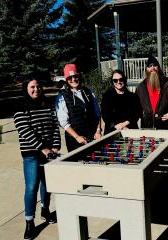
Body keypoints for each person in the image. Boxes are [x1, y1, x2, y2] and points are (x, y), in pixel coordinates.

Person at [14, 76, 61, 240]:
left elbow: (55, 125)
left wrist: (55, 146)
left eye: (38, 86)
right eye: (32, 87)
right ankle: (29, 222)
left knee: (47, 184)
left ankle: (45, 210)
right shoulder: (21, 107)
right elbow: (25, 131)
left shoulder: (47, 104)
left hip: (49, 152)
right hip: (32, 154)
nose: (36, 89)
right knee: (32, 186)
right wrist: (44, 148)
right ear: (26, 88)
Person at [55, 64, 102, 152]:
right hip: (75, 141)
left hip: (93, 137)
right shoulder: (62, 96)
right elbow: (63, 122)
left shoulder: (88, 92)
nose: (73, 79)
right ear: (66, 79)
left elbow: (97, 114)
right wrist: (77, 136)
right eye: (70, 77)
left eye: (75, 76)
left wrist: (98, 131)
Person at [136, 56, 168, 129]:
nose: (152, 68)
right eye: (150, 66)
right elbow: (136, 105)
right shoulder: (141, 87)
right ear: (146, 69)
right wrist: (141, 114)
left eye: (155, 65)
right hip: (147, 126)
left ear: (158, 68)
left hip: (164, 126)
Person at [101, 69, 141, 134]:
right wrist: (117, 126)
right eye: (115, 80)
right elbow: (105, 115)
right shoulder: (107, 96)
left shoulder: (133, 96)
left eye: (121, 79)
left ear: (124, 80)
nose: (118, 82)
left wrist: (124, 124)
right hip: (112, 131)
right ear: (112, 82)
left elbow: (136, 113)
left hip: (129, 130)